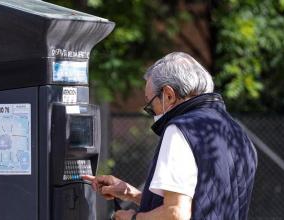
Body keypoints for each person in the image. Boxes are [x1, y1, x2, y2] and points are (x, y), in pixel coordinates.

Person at [83, 52, 258, 220]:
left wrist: (134, 218)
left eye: (150, 105)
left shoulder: (180, 129)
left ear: (168, 95)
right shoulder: (236, 132)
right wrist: (130, 194)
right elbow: (202, 204)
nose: (152, 112)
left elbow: (176, 214)